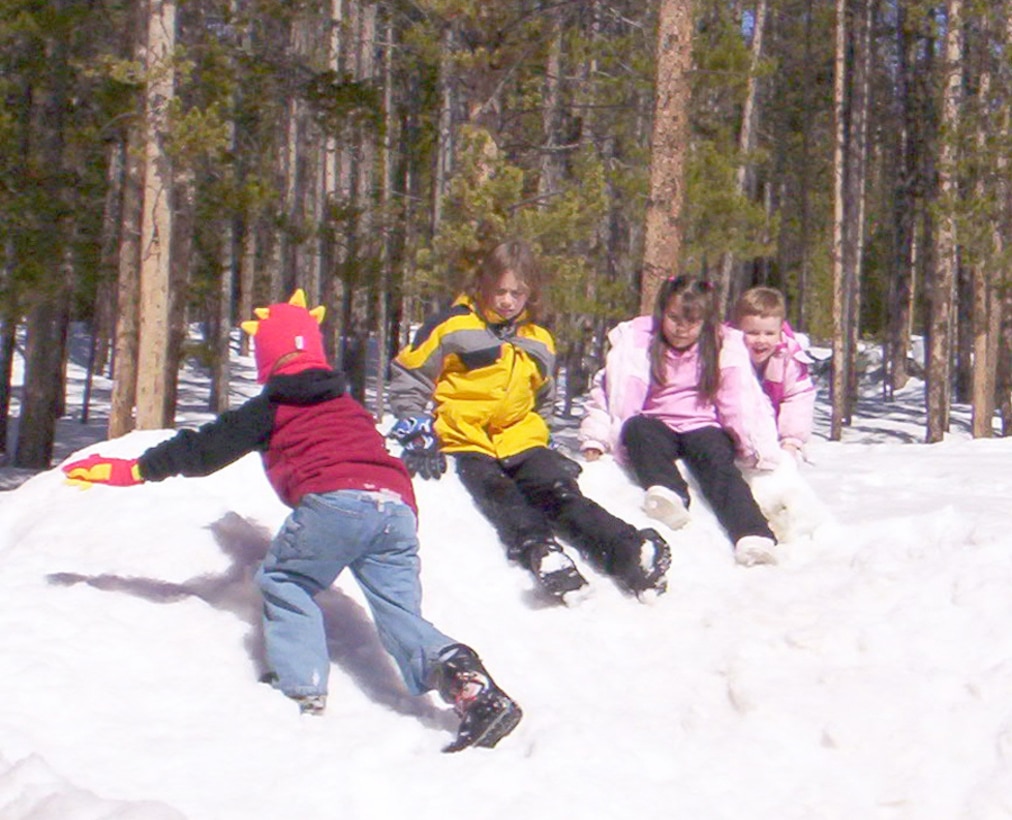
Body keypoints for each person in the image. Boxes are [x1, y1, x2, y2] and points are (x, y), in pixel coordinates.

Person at [61, 290, 520, 753]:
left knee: (286, 579)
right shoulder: (349, 405)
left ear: (267, 356)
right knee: (400, 613)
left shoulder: (275, 406)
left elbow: (203, 451)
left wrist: (134, 468)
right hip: (397, 509)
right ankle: (469, 686)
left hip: (335, 502)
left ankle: (300, 685)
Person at [387, 239, 671, 602]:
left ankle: (627, 550)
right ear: (483, 286)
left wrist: (545, 440)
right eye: (499, 291)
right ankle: (540, 551)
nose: (507, 301)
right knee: (499, 493)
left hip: (521, 438)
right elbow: (411, 374)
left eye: (517, 293)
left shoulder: (538, 339)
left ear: (530, 294)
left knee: (559, 493)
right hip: (465, 436)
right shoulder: (453, 325)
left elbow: (544, 397)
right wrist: (415, 425)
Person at [579, 275, 781, 567]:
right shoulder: (639, 345)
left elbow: (743, 403)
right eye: (673, 318)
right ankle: (668, 493)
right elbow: (608, 394)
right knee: (637, 430)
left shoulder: (721, 348)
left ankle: (752, 533)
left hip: (703, 425)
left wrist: (757, 447)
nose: (681, 328)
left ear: (706, 321)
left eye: (692, 321)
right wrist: (595, 438)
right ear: (662, 312)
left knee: (718, 464)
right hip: (656, 423)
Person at [730, 286, 816, 460]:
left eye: (769, 333)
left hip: (771, 435)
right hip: (730, 434)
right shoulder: (727, 354)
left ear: (780, 332)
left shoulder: (788, 357)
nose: (761, 340)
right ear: (738, 331)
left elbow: (797, 397)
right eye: (753, 333)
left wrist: (791, 441)